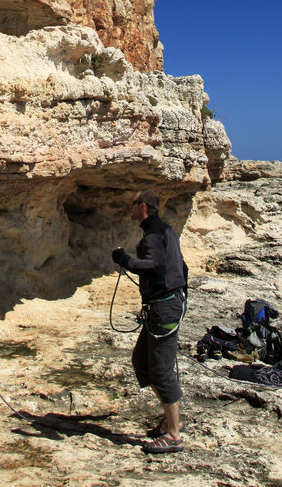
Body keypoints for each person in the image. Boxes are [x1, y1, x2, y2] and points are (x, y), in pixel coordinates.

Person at [112, 188, 188, 454]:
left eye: (133, 204)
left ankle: (174, 435)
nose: (130, 209)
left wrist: (125, 260)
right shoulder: (165, 229)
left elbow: (152, 264)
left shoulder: (153, 235)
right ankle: (169, 419)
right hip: (165, 306)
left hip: (163, 309)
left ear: (142, 206)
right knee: (141, 362)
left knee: (161, 372)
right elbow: (182, 267)